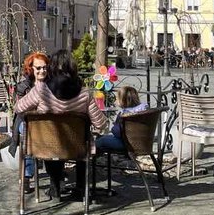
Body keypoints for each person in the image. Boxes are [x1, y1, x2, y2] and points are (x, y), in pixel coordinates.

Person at [14, 49, 106, 201]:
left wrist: (38, 109)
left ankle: (55, 187)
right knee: (84, 138)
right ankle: (80, 188)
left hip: (46, 146)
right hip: (76, 147)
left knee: (52, 138)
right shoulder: (85, 94)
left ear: (51, 68)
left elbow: (18, 108)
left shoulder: (41, 90)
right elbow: (100, 123)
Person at [9, 52, 49, 193]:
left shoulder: (52, 84)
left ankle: (56, 174)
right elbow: (19, 110)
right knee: (28, 132)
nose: (42, 71)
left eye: (44, 67)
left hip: (48, 124)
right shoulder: (23, 86)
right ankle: (26, 175)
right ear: (30, 69)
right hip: (27, 122)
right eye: (38, 68)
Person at [94, 86, 149, 153]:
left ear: (122, 100)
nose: (116, 100)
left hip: (127, 144)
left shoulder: (124, 115)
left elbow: (117, 133)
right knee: (104, 138)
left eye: (117, 98)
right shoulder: (143, 110)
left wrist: (113, 128)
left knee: (102, 140)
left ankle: (85, 157)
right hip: (143, 143)